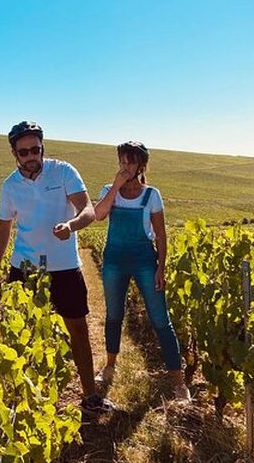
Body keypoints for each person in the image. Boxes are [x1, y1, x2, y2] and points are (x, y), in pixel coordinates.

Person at [0, 121, 115, 414]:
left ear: (43, 147)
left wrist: (71, 225)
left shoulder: (64, 171)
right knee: (22, 333)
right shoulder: (10, 186)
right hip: (25, 269)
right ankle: (26, 400)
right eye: (24, 152)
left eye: (36, 149)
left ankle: (90, 397)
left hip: (65, 267)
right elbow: (4, 229)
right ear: (14, 154)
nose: (31, 156)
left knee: (78, 330)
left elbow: (88, 210)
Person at [93, 141, 190, 402]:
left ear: (141, 165)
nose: (125, 166)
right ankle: (110, 366)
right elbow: (99, 215)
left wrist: (161, 267)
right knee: (114, 316)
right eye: (122, 161)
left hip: (145, 261)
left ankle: (179, 383)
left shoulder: (152, 195)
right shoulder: (108, 190)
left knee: (161, 320)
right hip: (114, 260)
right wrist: (114, 187)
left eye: (131, 162)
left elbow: (160, 235)